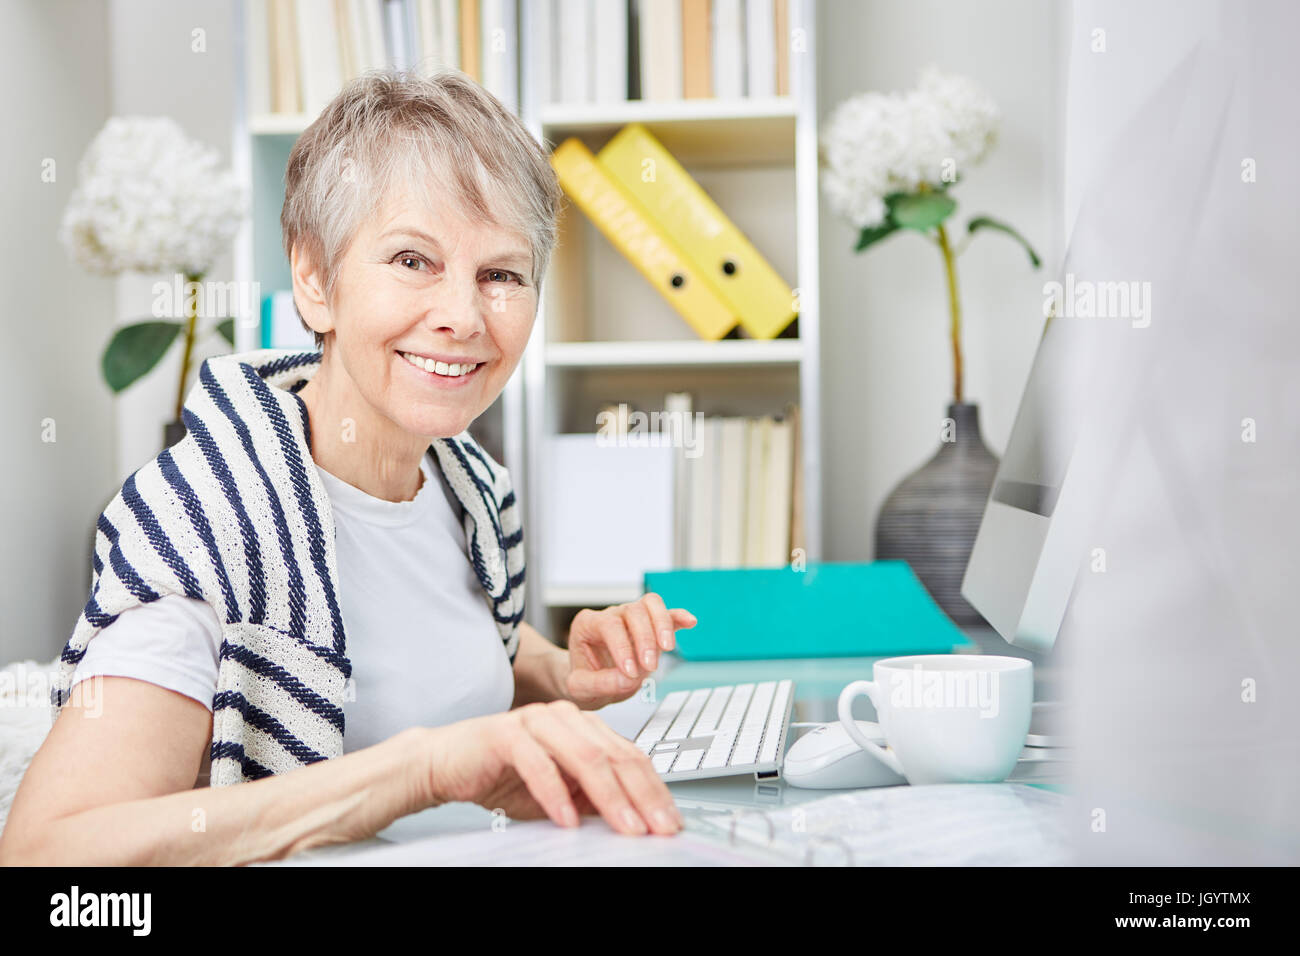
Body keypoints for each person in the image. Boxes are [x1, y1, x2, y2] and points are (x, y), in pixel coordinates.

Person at [0, 69, 693, 865]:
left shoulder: (471, 488)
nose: (463, 318)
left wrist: (568, 674)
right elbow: (49, 861)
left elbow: (452, 644)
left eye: (501, 275)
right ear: (314, 281)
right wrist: (420, 769)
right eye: (411, 260)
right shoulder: (209, 520)